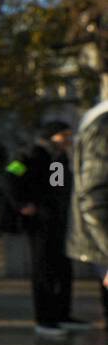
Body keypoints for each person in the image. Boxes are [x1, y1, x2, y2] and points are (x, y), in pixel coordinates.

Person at [6, 121, 84, 338]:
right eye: (63, 136)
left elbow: (57, 188)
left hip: (57, 222)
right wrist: (22, 204)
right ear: (51, 136)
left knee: (62, 269)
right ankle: (45, 319)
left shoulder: (57, 158)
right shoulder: (32, 154)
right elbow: (11, 175)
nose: (68, 140)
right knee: (44, 270)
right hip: (40, 224)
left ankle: (62, 315)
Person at [65, 100, 108, 328]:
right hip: (47, 222)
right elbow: (92, 196)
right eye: (63, 135)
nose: (66, 139)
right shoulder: (38, 156)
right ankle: (51, 319)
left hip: (74, 220)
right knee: (49, 276)